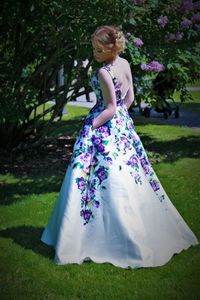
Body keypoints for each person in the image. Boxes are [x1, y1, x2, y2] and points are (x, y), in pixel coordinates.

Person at [41, 25, 199, 269]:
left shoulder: (105, 72)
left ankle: (97, 236)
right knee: (129, 175)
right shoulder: (125, 63)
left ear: (111, 48)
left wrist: (89, 126)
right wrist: (122, 119)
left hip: (104, 126)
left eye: (98, 49)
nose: (94, 53)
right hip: (122, 126)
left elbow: (110, 108)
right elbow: (129, 100)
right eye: (93, 49)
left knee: (101, 176)